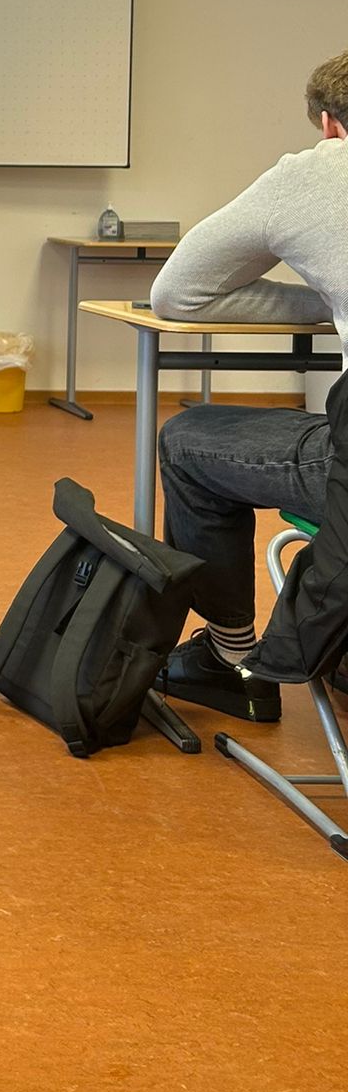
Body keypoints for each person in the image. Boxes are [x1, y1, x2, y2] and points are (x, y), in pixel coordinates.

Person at [152, 48, 348, 723]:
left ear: (330, 125)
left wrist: (322, 303)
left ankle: (229, 657)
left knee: (186, 440)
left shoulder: (316, 173)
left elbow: (178, 295)